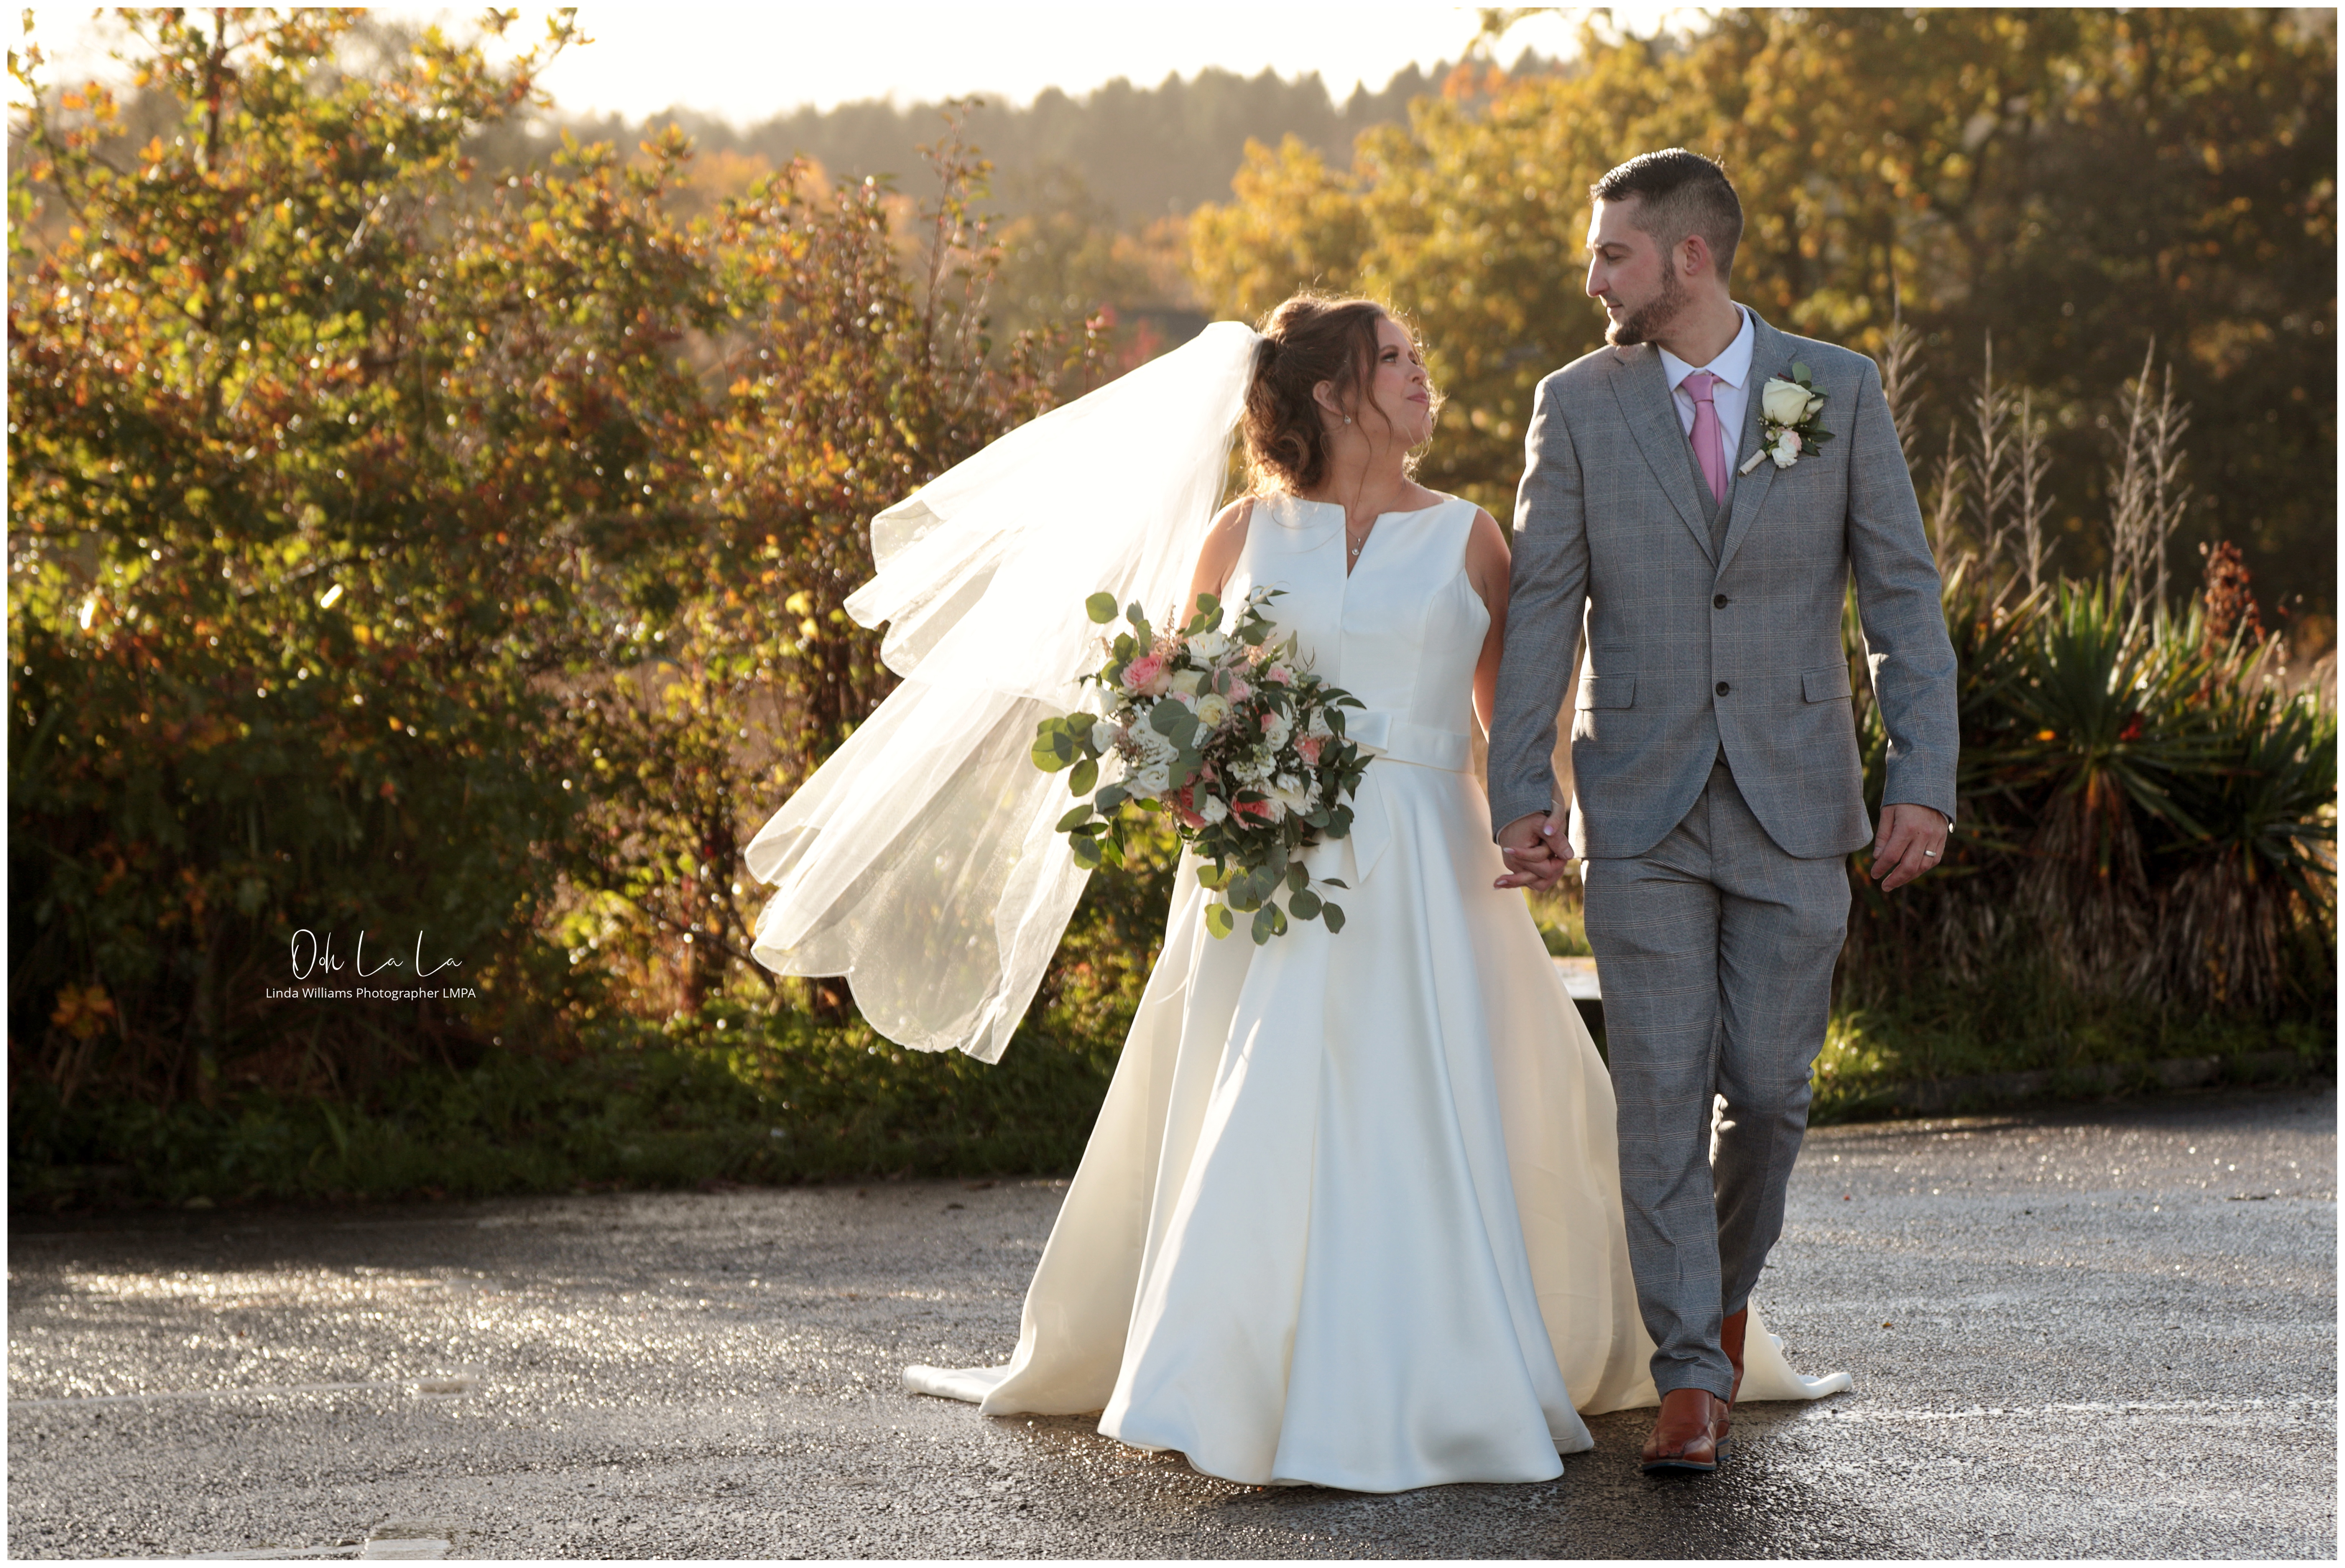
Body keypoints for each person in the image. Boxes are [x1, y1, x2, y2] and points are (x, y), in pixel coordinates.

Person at [747, 294, 1848, 1496]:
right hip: (1268, 874)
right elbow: (1175, 708)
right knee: (1265, 1113)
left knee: (1425, 1106)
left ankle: (1454, 1365)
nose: (1422, 375)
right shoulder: (1240, 536)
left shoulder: (1474, 537)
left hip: (1432, 867)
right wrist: (1206, 792)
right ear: (1332, 395)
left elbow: (1513, 727)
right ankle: (1238, 1372)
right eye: (1396, 359)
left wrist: (1553, 824)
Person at [1487, 149, 1959, 1475]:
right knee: (1654, 1093)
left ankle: (1722, 1295)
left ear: (1688, 258)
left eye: (1610, 256)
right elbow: (1541, 610)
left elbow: (1902, 598)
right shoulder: (1573, 406)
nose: (1592, 280)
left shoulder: (1836, 388)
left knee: (1770, 1090)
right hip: (1636, 799)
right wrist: (1521, 790)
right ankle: (1688, 1371)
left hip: (1797, 793)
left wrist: (1923, 775)